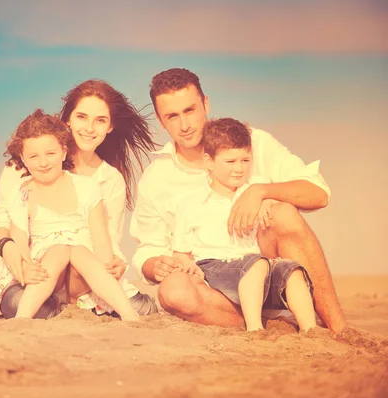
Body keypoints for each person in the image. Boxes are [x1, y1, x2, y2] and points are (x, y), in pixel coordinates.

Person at [130, 68, 347, 333]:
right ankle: (275, 325)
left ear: (206, 104)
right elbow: (148, 247)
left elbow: (318, 193)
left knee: (283, 214)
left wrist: (260, 191)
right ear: (160, 120)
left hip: (265, 264)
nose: (184, 125)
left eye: (190, 110)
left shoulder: (251, 141)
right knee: (173, 292)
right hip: (212, 280)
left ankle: (339, 330)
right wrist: (155, 265)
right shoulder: (156, 178)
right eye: (172, 116)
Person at [0, 79, 158, 320]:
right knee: (19, 301)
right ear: (68, 120)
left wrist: (116, 262)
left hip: (83, 273)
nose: (89, 128)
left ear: (110, 127)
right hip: (40, 268)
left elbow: (108, 237)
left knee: (144, 307)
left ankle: (85, 304)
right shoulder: (21, 173)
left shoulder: (106, 180)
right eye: (82, 117)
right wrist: (9, 249)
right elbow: (5, 221)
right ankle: (53, 308)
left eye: (100, 120)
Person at [171, 117, 317, 332]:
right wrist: (188, 266)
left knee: (291, 270)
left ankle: (311, 331)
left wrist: (269, 199)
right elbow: (180, 252)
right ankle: (255, 329)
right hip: (215, 268)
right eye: (230, 162)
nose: (239, 168)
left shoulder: (256, 190)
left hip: (259, 268)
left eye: (245, 160)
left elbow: (278, 202)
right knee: (255, 264)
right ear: (209, 162)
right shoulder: (191, 203)